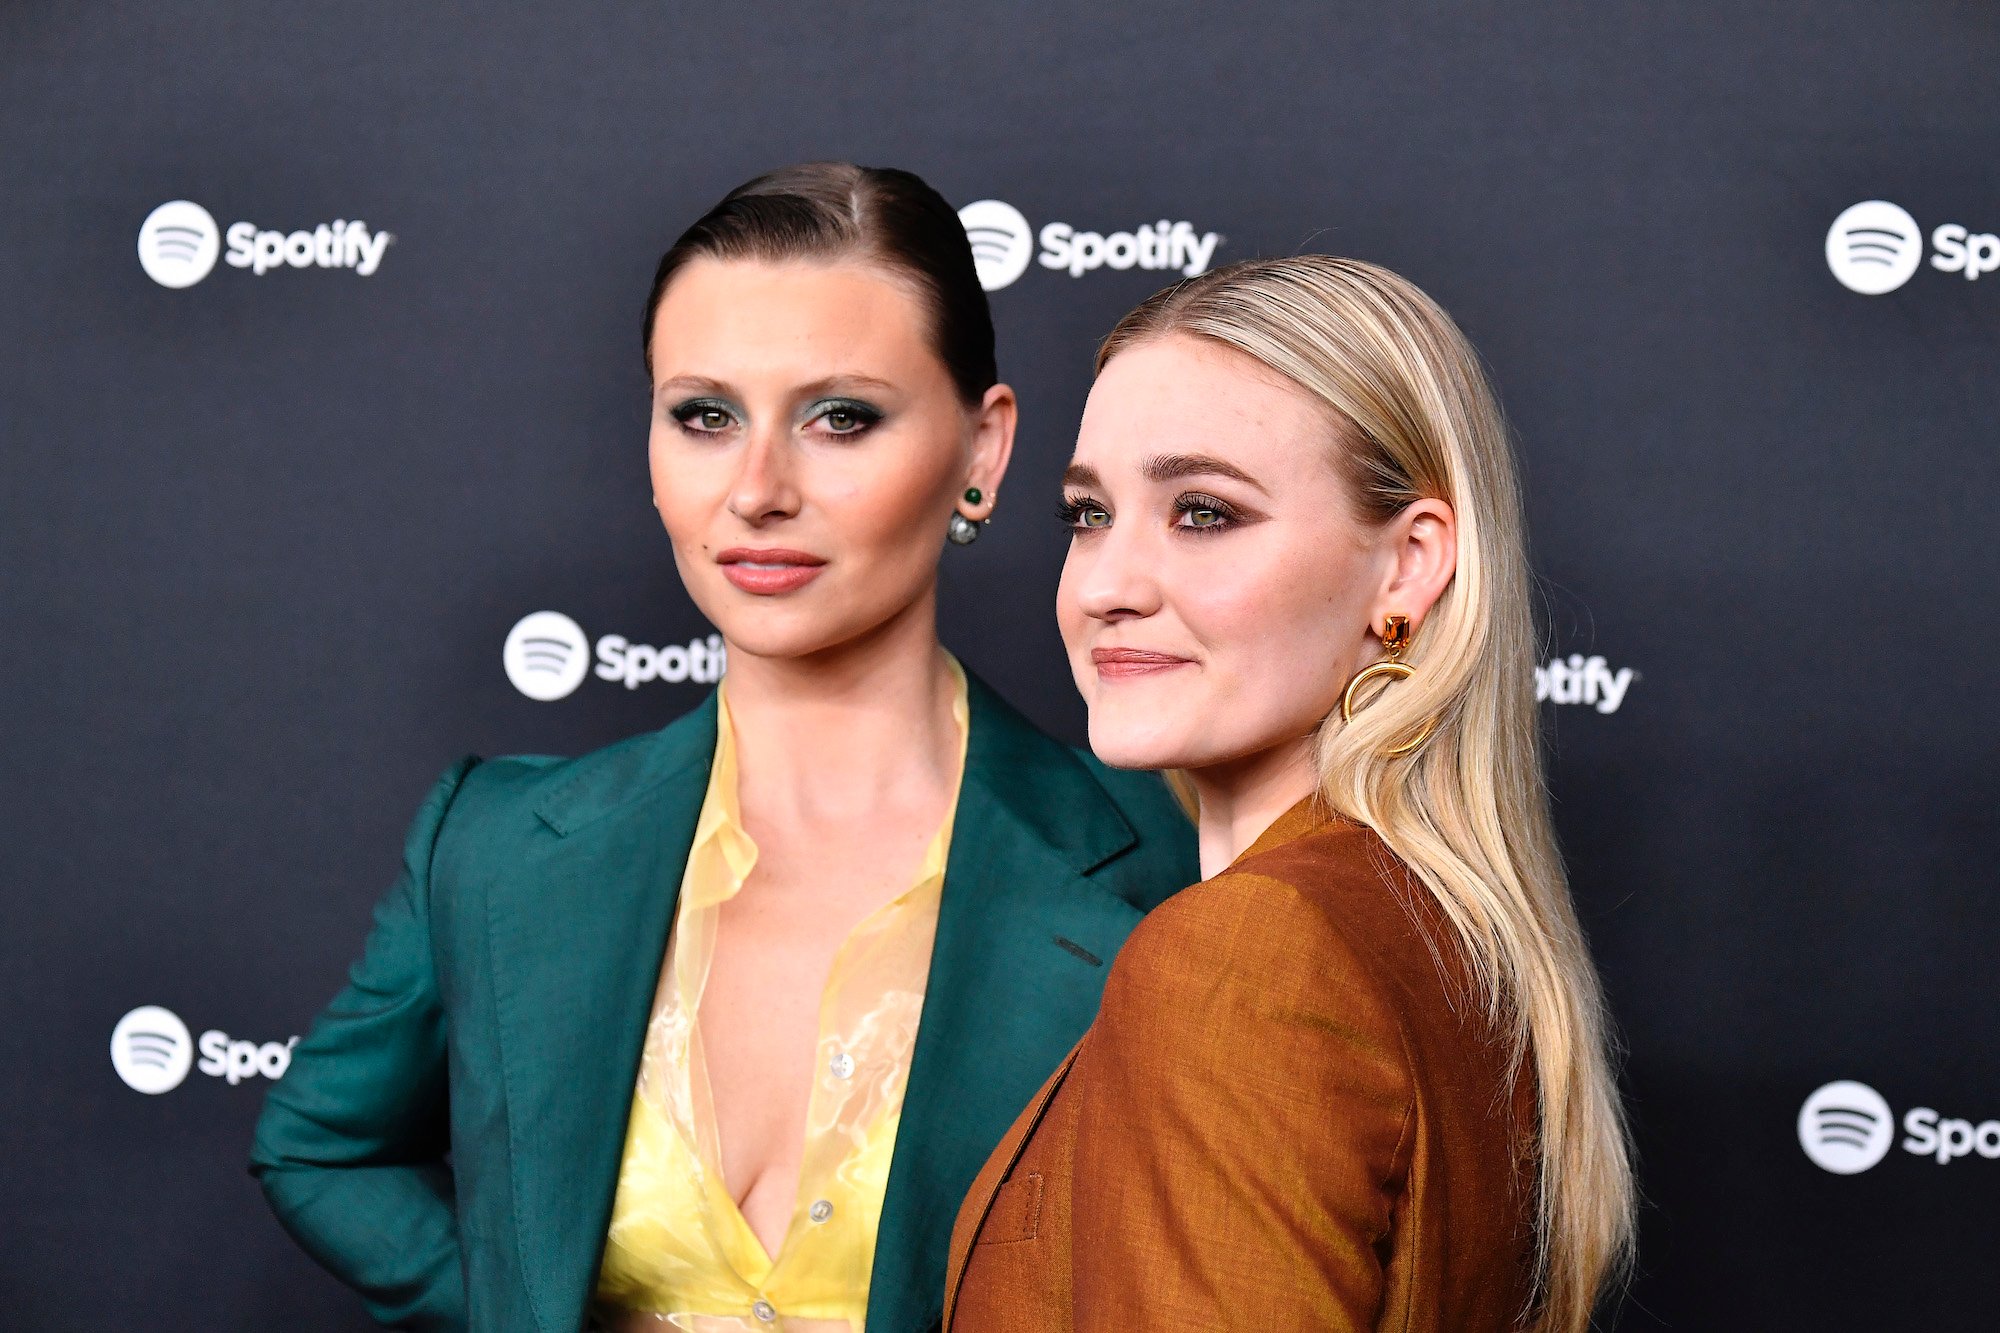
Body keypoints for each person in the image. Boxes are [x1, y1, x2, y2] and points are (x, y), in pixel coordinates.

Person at [249, 162, 1196, 1333]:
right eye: (704, 416)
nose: (756, 489)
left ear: (981, 451)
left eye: (840, 416)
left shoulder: (1172, 854)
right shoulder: (492, 845)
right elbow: (318, 1149)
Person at [944, 256, 1636, 1332]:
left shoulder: (1244, 958)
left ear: (1406, 567)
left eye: (1203, 513)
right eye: (1086, 513)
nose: (1107, 586)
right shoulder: (1436, 935)